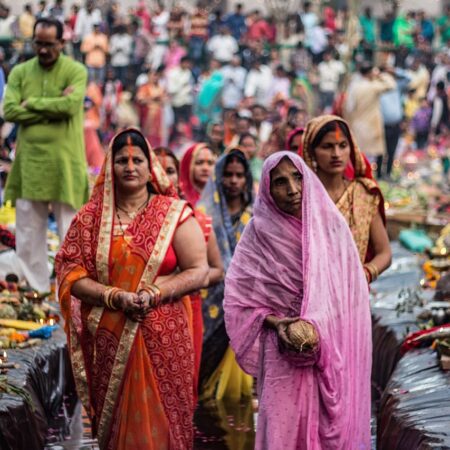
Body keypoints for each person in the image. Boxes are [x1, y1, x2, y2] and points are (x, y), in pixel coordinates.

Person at [55, 129, 209, 449]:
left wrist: (155, 292)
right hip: (111, 334)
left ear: (149, 165)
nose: (129, 166)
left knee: (167, 421)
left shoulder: (172, 212)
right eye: (121, 160)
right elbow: (70, 272)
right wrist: (114, 296)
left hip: (165, 334)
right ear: (110, 166)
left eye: (137, 160)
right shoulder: (89, 218)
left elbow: (198, 270)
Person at [223, 151, 372, 449]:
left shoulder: (331, 228)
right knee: (283, 432)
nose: (291, 189)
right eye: (279, 182)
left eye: (297, 178)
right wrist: (279, 324)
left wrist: (320, 323)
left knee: (330, 431)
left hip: (330, 350)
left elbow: (350, 295)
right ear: (266, 188)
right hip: (282, 353)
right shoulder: (257, 234)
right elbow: (239, 300)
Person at [3, 17, 88, 292]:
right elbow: (9, 111)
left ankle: (72, 290)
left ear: (62, 43)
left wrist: (33, 104)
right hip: (31, 162)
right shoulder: (20, 72)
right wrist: (52, 106)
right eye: (38, 43)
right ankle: (37, 289)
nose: (42, 49)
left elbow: (70, 105)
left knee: (69, 228)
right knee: (28, 231)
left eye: (49, 44)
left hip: (65, 161)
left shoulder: (76, 71)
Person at [154, 146, 224, 403]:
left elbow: (216, 269)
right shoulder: (123, 220)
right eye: (157, 169)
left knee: (180, 390)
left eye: (169, 171)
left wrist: (190, 278)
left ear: (178, 176)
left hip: (187, 307)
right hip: (136, 309)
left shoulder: (195, 219)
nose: (162, 176)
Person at [302, 115, 391, 282]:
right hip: (311, 292)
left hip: (354, 293)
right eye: (327, 147)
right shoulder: (302, 197)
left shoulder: (363, 194)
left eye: (342, 146)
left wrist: (365, 274)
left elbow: (384, 252)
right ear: (312, 152)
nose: (336, 154)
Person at [197, 149, 254, 400]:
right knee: (204, 376)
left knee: (235, 392)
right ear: (218, 178)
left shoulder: (256, 216)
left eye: (239, 175)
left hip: (245, 305)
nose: (233, 181)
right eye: (228, 175)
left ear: (247, 179)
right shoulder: (205, 215)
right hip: (210, 302)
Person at [344, 64, 396, 162]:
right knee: (369, 160)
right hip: (371, 127)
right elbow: (392, 85)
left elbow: (348, 108)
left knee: (358, 157)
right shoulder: (372, 87)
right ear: (370, 73)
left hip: (356, 126)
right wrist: (381, 74)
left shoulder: (354, 87)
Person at [136, 70, 166, 147]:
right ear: (149, 77)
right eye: (153, 75)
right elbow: (140, 99)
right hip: (148, 113)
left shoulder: (160, 87)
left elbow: (164, 100)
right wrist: (152, 98)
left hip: (158, 114)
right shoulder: (144, 87)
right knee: (148, 132)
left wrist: (159, 100)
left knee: (157, 133)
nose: (155, 78)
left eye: (156, 76)